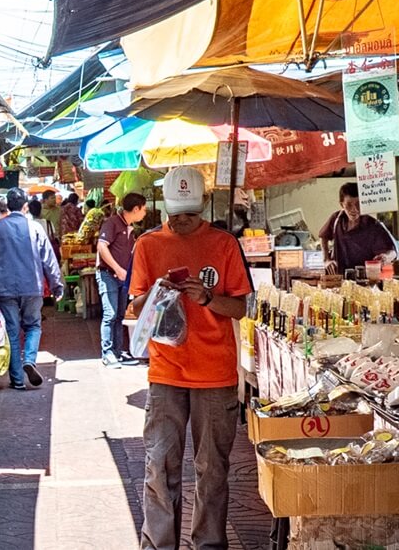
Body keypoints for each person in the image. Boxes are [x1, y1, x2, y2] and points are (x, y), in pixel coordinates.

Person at [129, 166, 253, 550]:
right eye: (176, 213)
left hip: (215, 375)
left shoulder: (224, 244)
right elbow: (134, 307)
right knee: (159, 466)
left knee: (212, 470)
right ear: (164, 206)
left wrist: (206, 298)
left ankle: (210, 544)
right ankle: (159, 544)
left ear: (202, 206)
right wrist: (155, 294)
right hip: (165, 372)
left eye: (190, 214)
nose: (182, 221)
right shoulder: (147, 245)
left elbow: (240, 308)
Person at [0, 187, 64, 390]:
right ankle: (29, 359)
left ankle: (17, 380)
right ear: (26, 206)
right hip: (32, 286)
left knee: (11, 331)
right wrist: (57, 286)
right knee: (33, 326)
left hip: (5, 287)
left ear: (7, 206)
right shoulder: (35, 227)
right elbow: (49, 260)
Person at [97, 192, 148, 369]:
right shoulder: (112, 223)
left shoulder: (129, 227)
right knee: (110, 314)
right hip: (108, 275)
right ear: (136, 209)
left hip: (123, 278)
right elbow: (101, 246)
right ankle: (107, 353)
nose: (145, 213)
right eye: (144, 209)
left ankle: (118, 352)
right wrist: (118, 269)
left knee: (119, 315)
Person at [319, 182, 398, 275]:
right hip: (339, 275)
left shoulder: (373, 225)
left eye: (358, 204)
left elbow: (393, 252)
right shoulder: (337, 219)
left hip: (365, 276)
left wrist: (385, 257)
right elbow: (323, 237)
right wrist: (326, 259)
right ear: (341, 205)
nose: (354, 209)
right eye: (349, 205)